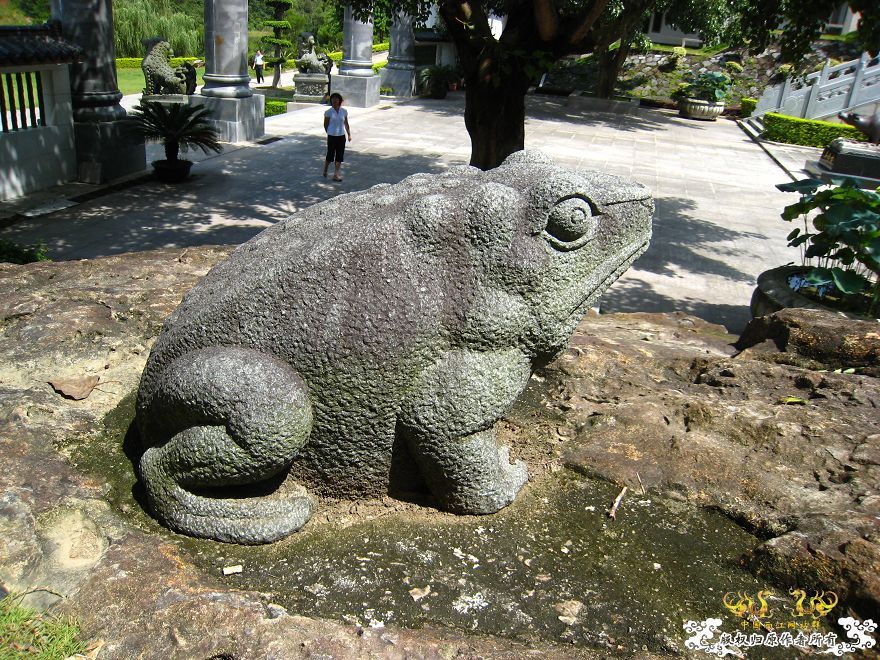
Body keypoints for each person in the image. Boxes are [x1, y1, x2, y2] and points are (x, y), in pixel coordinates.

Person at [323, 93, 351, 182]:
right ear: (331, 101)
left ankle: (336, 174)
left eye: (336, 99)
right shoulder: (328, 112)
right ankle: (325, 169)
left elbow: (346, 123)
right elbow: (325, 124)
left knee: (339, 155)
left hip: (341, 136)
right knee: (330, 155)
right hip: (332, 136)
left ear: (339, 100)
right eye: (333, 99)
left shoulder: (344, 111)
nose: (335, 101)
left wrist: (349, 134)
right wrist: (329, 132)